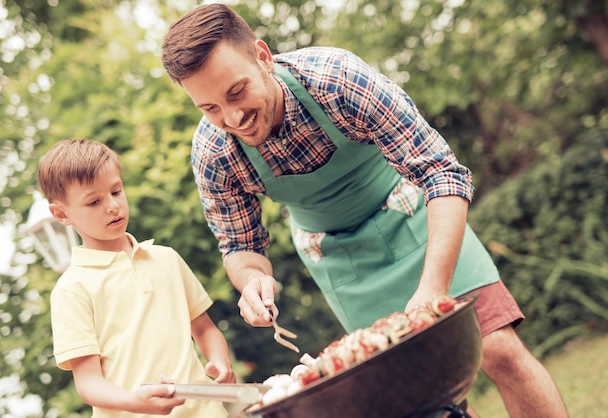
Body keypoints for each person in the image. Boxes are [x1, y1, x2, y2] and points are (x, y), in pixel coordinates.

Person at [160, 4, 568, 417]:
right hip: (340, 261)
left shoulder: (335, 78)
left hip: (415, 217)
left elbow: (441, 174)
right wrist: (251, 282)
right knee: (422, 398)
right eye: (209, 108)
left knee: (495, 347)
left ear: (263, 57)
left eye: (236, 92)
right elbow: (240, 245)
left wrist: (433, 288)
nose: (232, 118)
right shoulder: (214, 153)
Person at [37, 138, 236, 418]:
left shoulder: (166, 258)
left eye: (116, 191)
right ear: (61, 214)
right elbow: (88, 381)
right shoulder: (72, 289)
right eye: (94, 201)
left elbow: (205, 330)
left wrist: (219, 360)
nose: (112, 206)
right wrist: (133, 401)